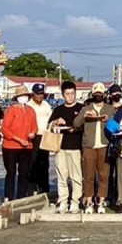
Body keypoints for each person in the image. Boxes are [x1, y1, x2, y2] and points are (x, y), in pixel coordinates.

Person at [74, 83, 115, 214]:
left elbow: (116, 126)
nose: (98, 95)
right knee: (88, 175)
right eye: (96, 93)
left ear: (104, 94)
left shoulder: (110, 109)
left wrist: (109, 120)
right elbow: (76, 124)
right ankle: (89, 202)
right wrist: (85, 115)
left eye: (100, 93)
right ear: (92, 94)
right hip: (89, 146)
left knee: (104, 175)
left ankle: (101, 201)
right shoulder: (86, 108)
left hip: (104, 145)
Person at [49, 81, 84, 213]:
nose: (70, 96)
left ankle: (75, 201)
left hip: (76, 146)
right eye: (67, 94)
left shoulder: (81, 108)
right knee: (62, 175)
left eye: (72, 94)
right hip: (61, 147)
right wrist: (56, 122)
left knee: (76, 176)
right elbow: (49, 126)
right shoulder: (59, 110)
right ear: (63, 95)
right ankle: (63, 200)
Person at [1, 85, 38, 202]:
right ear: (16, 97)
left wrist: (33, 133)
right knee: (11, 172)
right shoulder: (11, 110)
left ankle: (21, 197)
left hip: (27, 146)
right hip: (11, 146)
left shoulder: (31, 110)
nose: (24, 97)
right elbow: (5, 129)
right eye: (21, 96)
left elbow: (35, 126)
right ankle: (8, 196)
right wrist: (18, 139)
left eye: (25, 95)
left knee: (24, 173)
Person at [27, 83, 53, 198]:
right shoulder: (29, 105)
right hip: (33, 136)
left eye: (42, 94)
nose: (40, 96)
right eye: (38, 94)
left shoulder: (46, 105)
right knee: (32, 163)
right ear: (33, 94)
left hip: (44, 135)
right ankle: (31, 188)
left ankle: (44, 188)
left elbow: (50, 119)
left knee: (44, 163)